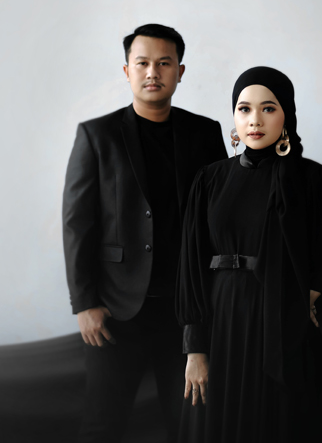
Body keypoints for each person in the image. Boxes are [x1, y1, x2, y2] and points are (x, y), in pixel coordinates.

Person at [176, 67, 322, 442]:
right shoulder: (210, 180)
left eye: (268, 108)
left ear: (286, 116)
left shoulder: (313, 180)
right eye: (244, 109)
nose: (255, 120)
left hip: (282, 322)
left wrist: (309, 291)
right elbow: (191, 266)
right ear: (234, 118)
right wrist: (195, 349)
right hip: (221, 321)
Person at [62, 24, 228, 443]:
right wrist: (85, 302)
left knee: (190, 424)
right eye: (143, 63)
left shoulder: (205, 133)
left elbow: (220, 218)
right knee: (102, 425)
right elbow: (78, 223)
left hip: (186, 312)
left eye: (164, 63)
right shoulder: (96, 135)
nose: (153, 72)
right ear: (127, 71)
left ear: (180, 71)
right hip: (115, 311)